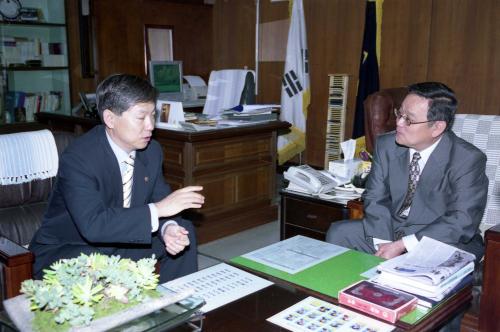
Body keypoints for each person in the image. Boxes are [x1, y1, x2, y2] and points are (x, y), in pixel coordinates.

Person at [30, 74, 205, 282]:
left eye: (153, 115)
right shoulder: (79, 158)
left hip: (122, 242)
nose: (150, 125)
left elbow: (161, 198)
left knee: (183, 233)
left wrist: (169, 228)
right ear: (110, 118)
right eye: (141, 117)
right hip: (73, 249)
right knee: (93, 269)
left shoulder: (151, 150)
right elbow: (93, 225)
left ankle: (179, 307)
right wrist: (158, 210)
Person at [326, 82, 488, 262]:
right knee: (340, 232)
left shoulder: (467, 159)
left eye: (408, 119)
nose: (398, 123)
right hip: (391, 228)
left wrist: (402, 245)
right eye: (399, 113)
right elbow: (375, 197)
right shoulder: (387, 145)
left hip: (442, 238)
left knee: (429, 263)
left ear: (437, 127)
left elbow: (461, 220)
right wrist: (383, 243)